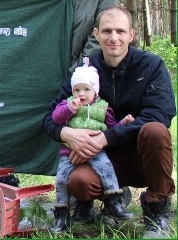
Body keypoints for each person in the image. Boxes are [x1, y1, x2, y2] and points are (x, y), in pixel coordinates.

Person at [42, 6, 175, 238]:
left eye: (120, 31)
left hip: (141, 157)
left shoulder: (151, 65)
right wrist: (67, 134)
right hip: (101, 161)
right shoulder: (84, 71)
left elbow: (160, 114)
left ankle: (157, 210)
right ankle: (110, 198)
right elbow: (49, 118)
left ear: (131, 35)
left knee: (156, 131)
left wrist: (106, 137)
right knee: (79, 182)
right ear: (96, 33)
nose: (114, 38)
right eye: (107, 31)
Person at [49, 63, 133, 232]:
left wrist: (123, 123)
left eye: (86, 89)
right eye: (77, 90)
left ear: (95, 90)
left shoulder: (103, 107)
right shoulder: (67, 104)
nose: (81, 94)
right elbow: (55, 119)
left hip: (96, 151)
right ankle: (62, 215)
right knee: (60, 180)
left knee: (106, 169)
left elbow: (112, 127)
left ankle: (114, 202)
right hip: (70, 153)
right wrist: (69, 109)